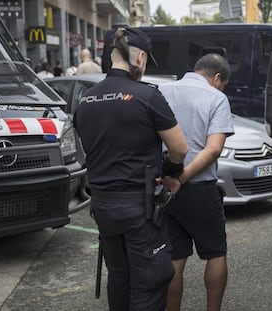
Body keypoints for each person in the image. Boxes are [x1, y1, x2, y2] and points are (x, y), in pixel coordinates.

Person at [73, 27, 188, 311]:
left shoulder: (85, 100)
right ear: (139, 57)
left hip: (103, 206)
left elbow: (87, 152)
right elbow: (180, 148)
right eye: (146, 59)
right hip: (139, 209)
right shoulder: (148, 96)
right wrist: (171, 171)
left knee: (120, 278)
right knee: (149, 282)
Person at [159, 53, 234, 311]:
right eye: (222, 83)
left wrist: (171, 178)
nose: (221, 88)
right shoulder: (217, 98)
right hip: (199, 189)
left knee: (174, 258)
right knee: (215, 253)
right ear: (216, 78)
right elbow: (213, 149)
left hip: (165, 188)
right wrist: (182, 177)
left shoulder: (162, 91)